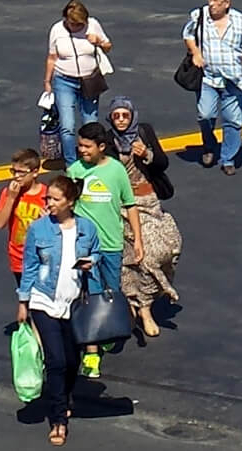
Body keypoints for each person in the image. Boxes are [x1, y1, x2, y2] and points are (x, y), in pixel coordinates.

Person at [16, 173, 96, 445]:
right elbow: (30, 266)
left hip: (73, 303)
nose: (48, 203)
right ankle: (58, 419)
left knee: (72, 361)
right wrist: (23, 302)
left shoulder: (86, 228)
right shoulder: (39, 229)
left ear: (70, 202)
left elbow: (96, 252)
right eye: (48, 198)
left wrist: (92, 261)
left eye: (54, 199)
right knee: (56, 361)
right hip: (43, 300)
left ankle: (65, 393)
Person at [67, 124, 141, 379]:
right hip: (85, 245)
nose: (82, 150)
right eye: (80, 145)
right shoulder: (75, 170)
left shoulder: (116, 170)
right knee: (92, 294)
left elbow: (130, 205)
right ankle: (92, 353)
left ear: (101, 147)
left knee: (112, 292)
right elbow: (68, 204)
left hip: (111, 243)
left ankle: (107, 331)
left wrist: (138, 240)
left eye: (87, 146)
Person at [105, 96, 180, 340]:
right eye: (116, 116)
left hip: (150, 201)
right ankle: (141, 308)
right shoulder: (108, 141)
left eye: (125, 115)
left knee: (167, 248)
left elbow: (162, 163)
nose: (121, 120)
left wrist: (147, 154)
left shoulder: (144, 132)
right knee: (139, 258)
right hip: (125, 206)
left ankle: (147, 299)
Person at [182, 0, 242, 173]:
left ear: (227, 3)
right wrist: (196, 53)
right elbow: (187, 35)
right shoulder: (199, 16)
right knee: (205, 114)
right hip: (208, 78)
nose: (212, 4)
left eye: (216, 1)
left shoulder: (240, 21)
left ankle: (228, 158)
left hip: (232, 80)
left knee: (233, 120)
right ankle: (209, 145)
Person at [40, 1, 112, 160]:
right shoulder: (57, 30)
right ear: (65, 18)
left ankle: (91, 159)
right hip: (64, 81)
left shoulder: (93, 25)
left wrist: (99, 41)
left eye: (80, 24)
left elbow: (108, 46)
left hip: (89, 80)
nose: (76, 27)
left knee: (90, 123)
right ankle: (71, 163)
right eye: (72, 24)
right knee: (67, 125)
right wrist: (47, 81)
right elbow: (52, 57)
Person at [0, 147, 50, 289]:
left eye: (21, 172)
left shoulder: (47, 194)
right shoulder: (8, 193)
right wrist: (11, 198)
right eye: (14, 171)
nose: (16, 176)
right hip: (19, 259)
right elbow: (0, 223)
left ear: (35, 172)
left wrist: (47, 220)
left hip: (41, 258)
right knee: (25, 295)